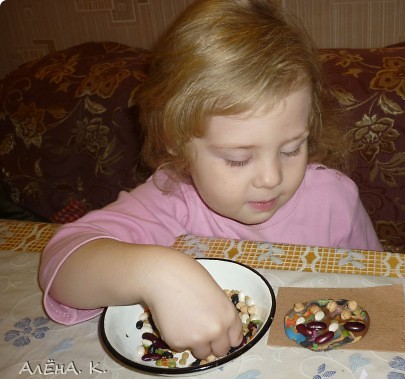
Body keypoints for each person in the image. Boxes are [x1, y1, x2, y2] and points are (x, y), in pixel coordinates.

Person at [39, 0, 382, 360]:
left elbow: (379, 292)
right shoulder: (172, 198)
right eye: (238, 159)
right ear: (178, 143)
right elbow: (60, 264)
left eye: (292, 149)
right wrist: (156, 272)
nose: (271, 177)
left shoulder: (334, 199)